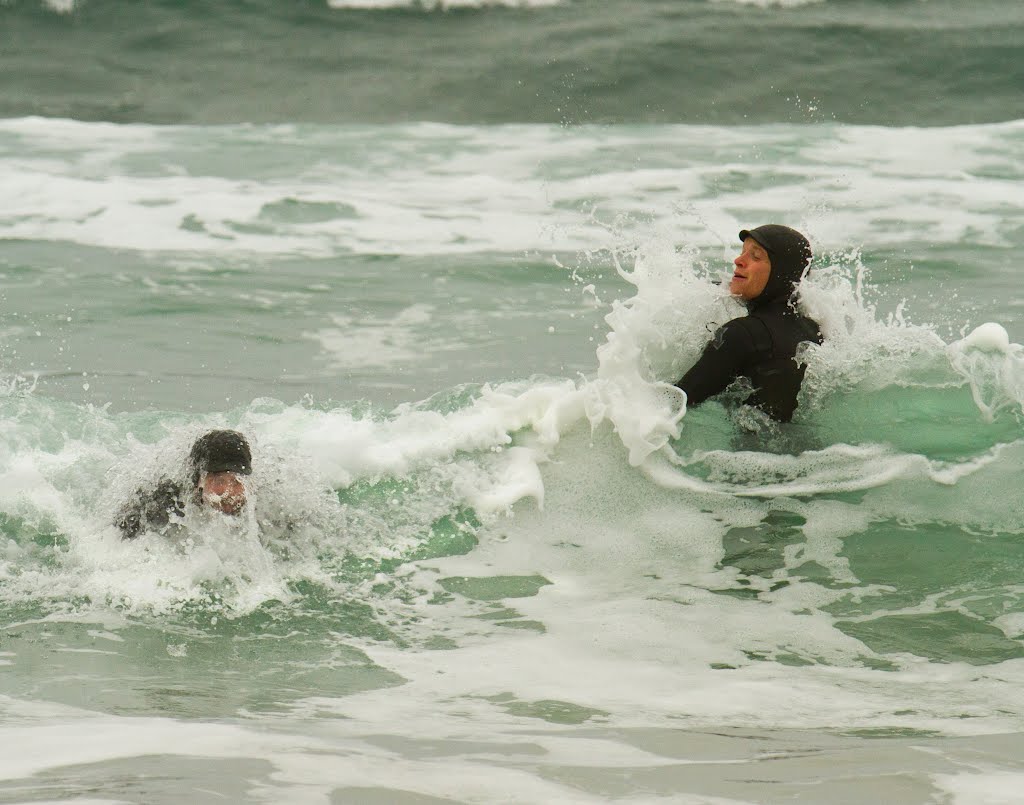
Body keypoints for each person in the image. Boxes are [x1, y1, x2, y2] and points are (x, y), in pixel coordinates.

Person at [675, 224, 823, 422]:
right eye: (742, 252)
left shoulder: (742, 334)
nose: (738, 261)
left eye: (755, 256)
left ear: (781, 272)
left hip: (752, 451)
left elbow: (678, 401)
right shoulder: (813, 329)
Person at [116, 429, 253, 540]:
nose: (230, 493)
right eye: (220, 481)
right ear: (199, 481)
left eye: (237, 481)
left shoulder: (260, 505)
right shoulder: (161, 505)